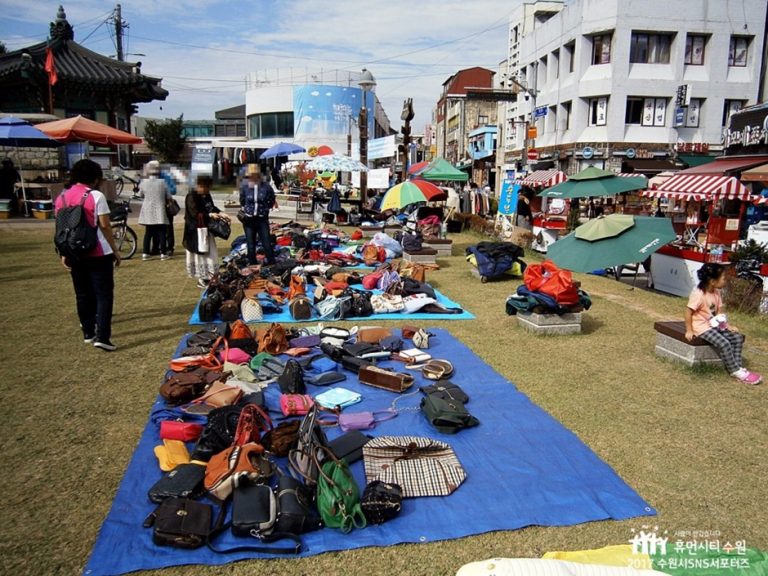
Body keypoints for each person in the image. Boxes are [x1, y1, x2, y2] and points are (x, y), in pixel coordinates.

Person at [54, 159, 121, 351]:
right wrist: (115, 250)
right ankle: (103, 337)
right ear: (95, 178)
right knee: (103, 295)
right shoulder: (95, 196)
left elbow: (61, 227)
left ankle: (88, 332)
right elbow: (105, 226)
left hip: (74, 252)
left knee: (82, 294)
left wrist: (63, 253)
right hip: (98, 252)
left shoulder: (62, 197)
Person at [684, 263, 762, 385]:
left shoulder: (716, 293)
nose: (725, 281)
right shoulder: (698, 295)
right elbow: (688, 312)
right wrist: (689, 330)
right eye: (723, 278)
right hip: (701, 328)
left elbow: (719, 312)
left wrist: (726, 326)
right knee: (724, 343)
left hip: (714, 325)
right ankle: (734, 371)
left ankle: (738, 367)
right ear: (712, 281)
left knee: (737, 337)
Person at [183, 174, 229, 288]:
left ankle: (210, 276)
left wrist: (220, 213)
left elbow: (211, 207)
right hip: (195, 231)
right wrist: (210, 215)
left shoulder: (206, 195)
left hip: (206, 229)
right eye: (205, 187)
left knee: (210, 253)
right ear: (199, 185)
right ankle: (202, 278)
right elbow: (194, 214)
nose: (206, 190)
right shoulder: (191, 196)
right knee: (200, 255)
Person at [239, 164, 276, 265]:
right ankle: (253, 265)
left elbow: (272, 199)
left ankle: (272, 264)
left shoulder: (266, 186)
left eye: (254, 174)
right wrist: (247, 210)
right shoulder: (245, 186)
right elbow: (242, 200)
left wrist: (265, 209)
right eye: (250, 175)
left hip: (262, 219)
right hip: (249, 220)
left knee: (267, 244)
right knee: (251, 245)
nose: (252, 177)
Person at [138, 160, 170, 261]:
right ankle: (163, 253)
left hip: (148, 210)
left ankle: (145, 253)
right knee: (161, 232)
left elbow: (140, 195)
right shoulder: (162, 183)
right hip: (159, 209)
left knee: (148, 232)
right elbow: (168, 196)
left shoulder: (144, 183)